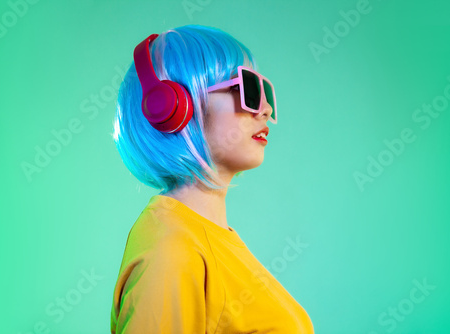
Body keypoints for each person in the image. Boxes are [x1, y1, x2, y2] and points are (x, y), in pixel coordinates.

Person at [110, 24, 314, 333]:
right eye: (246, 89)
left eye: (265, 92)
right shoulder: (171, 247)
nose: (266, 110)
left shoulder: (205, 237)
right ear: (172, 106)